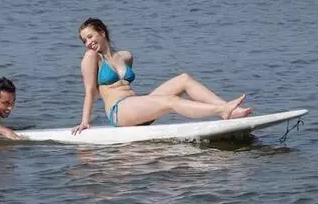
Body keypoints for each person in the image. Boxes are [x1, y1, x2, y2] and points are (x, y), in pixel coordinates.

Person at [72, 18, 253, 135]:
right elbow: (89, 92)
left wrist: (145, 104)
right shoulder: (91, 57)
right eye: (84, 40)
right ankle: (221, 110)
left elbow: (125, 87)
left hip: (136, 109)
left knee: (183, 79)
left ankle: (227, 110)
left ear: (102, 33)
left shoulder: (126, 56)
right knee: (170, 101)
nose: (88, 43)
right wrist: (85, 123)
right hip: (119, 112)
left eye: (90, 36)